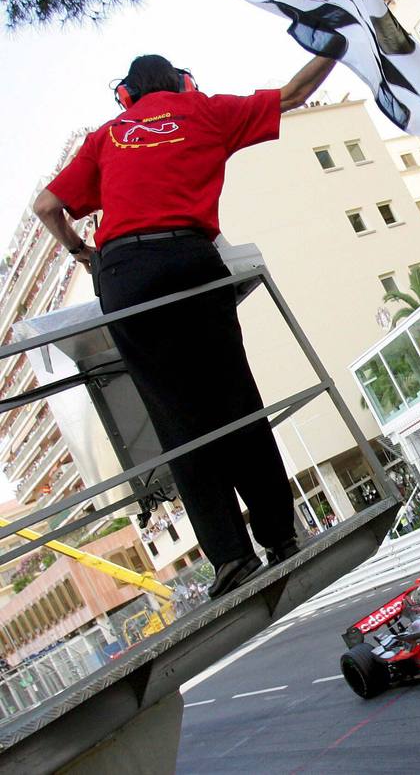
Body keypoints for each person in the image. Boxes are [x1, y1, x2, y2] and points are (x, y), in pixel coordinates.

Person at [34, 52, 336, 599]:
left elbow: (46, 205)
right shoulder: (203, 111)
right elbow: (292, 92)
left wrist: (84, 253)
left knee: (178, 423)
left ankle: (230, 560)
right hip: (190, 260)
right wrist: (337, 41)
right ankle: (281, 537)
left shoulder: (106, 137)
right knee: (235, 401)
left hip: (127, 276)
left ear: (125, 95)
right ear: (183, 84)